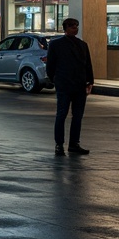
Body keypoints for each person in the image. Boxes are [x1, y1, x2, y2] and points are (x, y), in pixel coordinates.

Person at [46, 17, 94, 155]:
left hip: (79, 85)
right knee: (61, 114)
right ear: (65, 28)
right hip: (64, 84)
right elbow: (50, 66)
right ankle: (59, 145)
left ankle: (74, 143)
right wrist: (55, 80)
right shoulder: (56, 44)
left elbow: (87, 64)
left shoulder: (82, 45)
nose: (75, 28)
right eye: (73, 26)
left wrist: (90, 81)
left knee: (77, 115)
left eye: (77, 26)